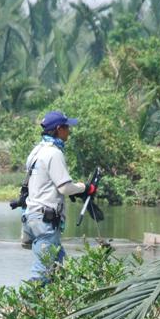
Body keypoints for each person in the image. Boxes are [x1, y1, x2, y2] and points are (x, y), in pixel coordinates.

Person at [21, 110, 97, 282]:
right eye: (66, 127)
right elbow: (64, 188)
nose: (69, 130)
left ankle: (57, 304)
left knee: (59, 264)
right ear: (58, 129)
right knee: (44, 267)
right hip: (45, 220)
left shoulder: (37, 151)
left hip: (31, 217)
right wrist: (85, 187)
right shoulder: (54, 153)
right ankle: (29, 306)